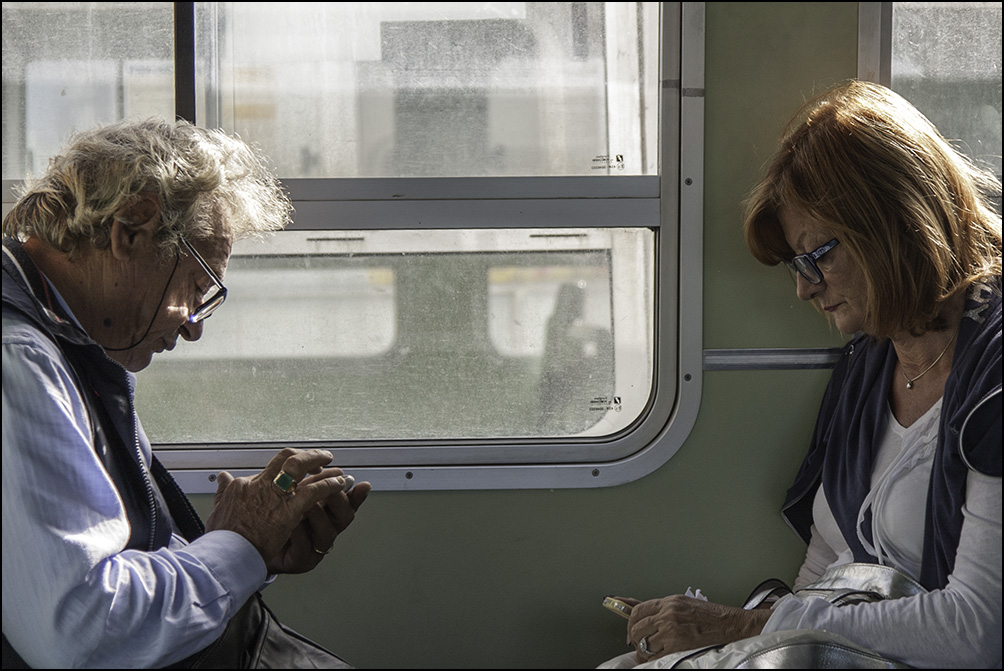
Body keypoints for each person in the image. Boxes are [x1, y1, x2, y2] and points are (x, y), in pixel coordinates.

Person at [604, 80, 1001, 668]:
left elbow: (976, 633)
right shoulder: (866, 368)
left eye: (817, 256)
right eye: (796, 262)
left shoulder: (991, 378)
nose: (803, 287)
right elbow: (823, 573)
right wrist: (747, 637)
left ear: (892, 225)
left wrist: (747, 625)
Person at [2, 118, 372, 668]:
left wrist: (251, 545)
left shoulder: (69, 343)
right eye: (197, 287)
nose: (193, 326)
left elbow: (126, 559)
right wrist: (240, 545)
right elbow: (84, 629)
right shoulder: (22, 362)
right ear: (131, 229)